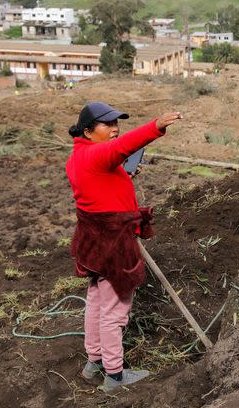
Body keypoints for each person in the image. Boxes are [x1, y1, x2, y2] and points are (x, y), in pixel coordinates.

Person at [66, 101, 182, 391]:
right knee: (115, 309)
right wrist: (156, 126)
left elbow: (100, 184)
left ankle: (94, 362)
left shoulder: (78, 157)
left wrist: (125, 175)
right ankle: (115, 375)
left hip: (91, 241)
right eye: (107, 124)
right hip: (113, 242)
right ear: (88, 131)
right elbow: (122, 147)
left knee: (96, 298)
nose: (116, 128)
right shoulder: (98, 154)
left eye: (117, 122)